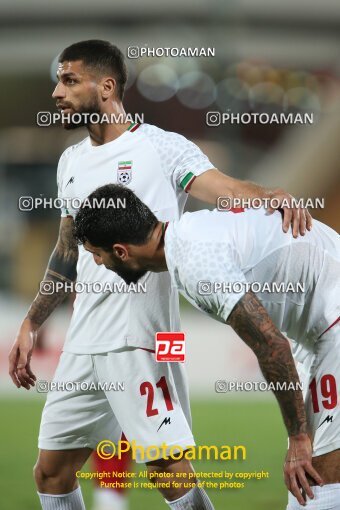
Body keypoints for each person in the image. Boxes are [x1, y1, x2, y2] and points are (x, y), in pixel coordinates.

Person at [8, 39, 312, 510]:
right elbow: (67, 250)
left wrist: (269, 194)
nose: (56, 93)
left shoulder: (161, 147)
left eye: (69, 80)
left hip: (141, 336)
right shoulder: (70, 162)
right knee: (51, 472)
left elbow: (223, 189)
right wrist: (32, 322)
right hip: (84, 338)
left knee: (169, 474)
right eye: (57, 81)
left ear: (106, 86)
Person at [73, 183, 340, 509]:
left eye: (95, 254)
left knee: (317, 483)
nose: (98, 264)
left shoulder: (196, 266)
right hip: (318, 329)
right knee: (306, 492)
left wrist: (298, 440)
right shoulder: (193, 231)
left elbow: (272, 346)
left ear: (121, 251)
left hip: (331, 324)